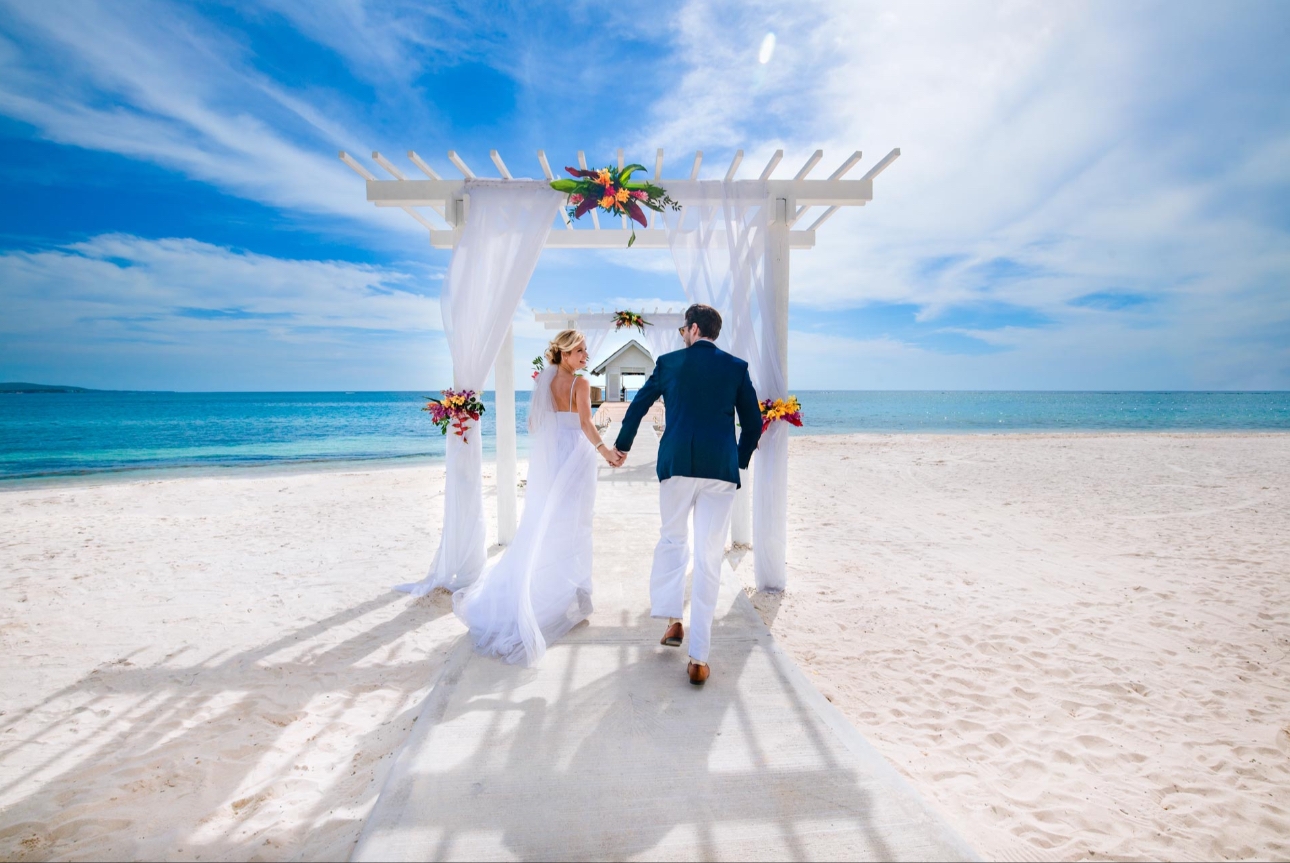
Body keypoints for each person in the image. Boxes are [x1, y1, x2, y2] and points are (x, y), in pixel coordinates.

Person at [452, 330, 624, 666]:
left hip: (551, 459)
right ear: (563, 353)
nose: (585, 357)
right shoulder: (581, 385)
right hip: (575, 455)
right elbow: (587, 424)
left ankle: (563, 592)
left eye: (585, 351)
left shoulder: (544, 382)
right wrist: (604, 450)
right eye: (579, 352)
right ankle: (572, 597)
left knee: (547, 524)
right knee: (575, 525)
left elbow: (534, 423)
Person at [611, 304, 762, 685]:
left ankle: (673, 619)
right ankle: (698, 658)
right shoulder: (736, 367)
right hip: (719, 470)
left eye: (683, 329)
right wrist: (737, 460)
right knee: (710, 556)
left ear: (694, 328)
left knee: (672, 540)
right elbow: (754, 423)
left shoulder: (668, 363)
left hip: (677, 464)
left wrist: (624, 445)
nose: (682, 334)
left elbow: (639, 404)